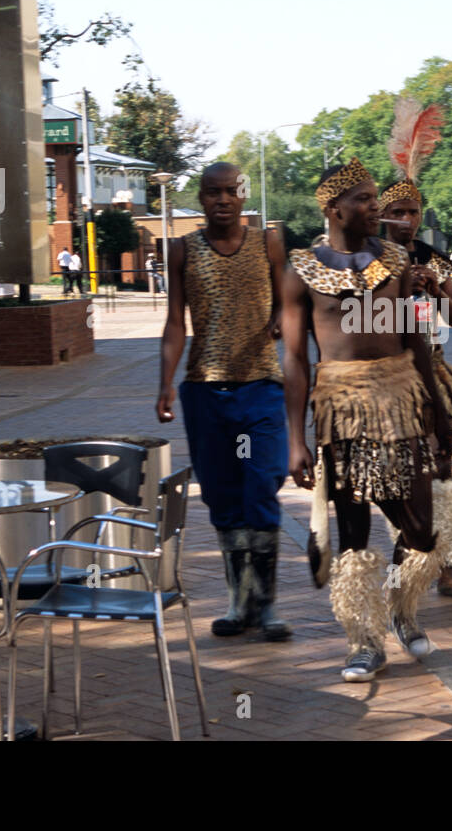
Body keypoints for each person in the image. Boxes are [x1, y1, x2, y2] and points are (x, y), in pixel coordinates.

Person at [283, 157, 452, 682]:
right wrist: (296, 440)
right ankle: (364, 640)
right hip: (340, 407)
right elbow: (293, 358)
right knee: (354, 533)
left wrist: (437, 412)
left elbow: (417, 342)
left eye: (374, 196)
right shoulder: (301, 271)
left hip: (401, 398)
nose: (374, 206)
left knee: (423, 530)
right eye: (362, 198)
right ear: (333, 208)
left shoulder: (399, 262)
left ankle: (402, 609)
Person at [156, 162, 291, 641]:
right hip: (206, 390)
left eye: (230, 192)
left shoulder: (268, 242)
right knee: (222, 494)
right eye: (212, 193)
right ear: (200, 197)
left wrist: (280, 320)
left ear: (242, 194)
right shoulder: (182, 250)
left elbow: (288, 301)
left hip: (260, 387)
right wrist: (165, 382)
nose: (222, 201)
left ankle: (267, 603)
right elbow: (176, 322)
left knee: (261, 482)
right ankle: (240, 602)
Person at [377, 97, 452, 599]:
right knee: (399, 474)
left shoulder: (433, 258)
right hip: (386, 379)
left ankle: (449, 567)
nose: (405, 219)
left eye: (412, 211)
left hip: (433, 372)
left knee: (442, 465)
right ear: (380, 214)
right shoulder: (368, 260)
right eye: (395, 211)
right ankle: (410, 559)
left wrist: (438, 292)